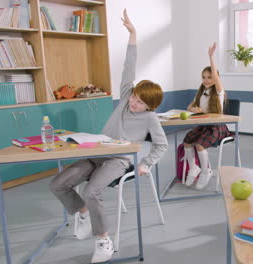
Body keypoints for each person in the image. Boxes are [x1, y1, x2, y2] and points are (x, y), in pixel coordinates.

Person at [48, 9, 168, 263]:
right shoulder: (126, 96)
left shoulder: (150, 118)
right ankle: (81, 212)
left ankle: (103, 240)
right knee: (58, 184)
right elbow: (129, 66)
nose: (134, 103)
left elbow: (161, 144)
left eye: (140, 102)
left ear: (151, 106)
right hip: (96, 152)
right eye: (134, 97)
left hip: (118, 160)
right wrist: (133, 34)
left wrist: (146, 164)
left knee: (92, 191)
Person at [183, 42, 232, 190]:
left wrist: (211, 57)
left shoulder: (219, 92)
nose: (206, 80)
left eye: (209, 77)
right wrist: (195, 108)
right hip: (204, 126)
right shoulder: (201, 92)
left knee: (199, 144)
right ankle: (194, 168)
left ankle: (206, 171)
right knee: (187, 141)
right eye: (204, 77)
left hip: (217, 128)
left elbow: (216, 78)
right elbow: (189, 107)